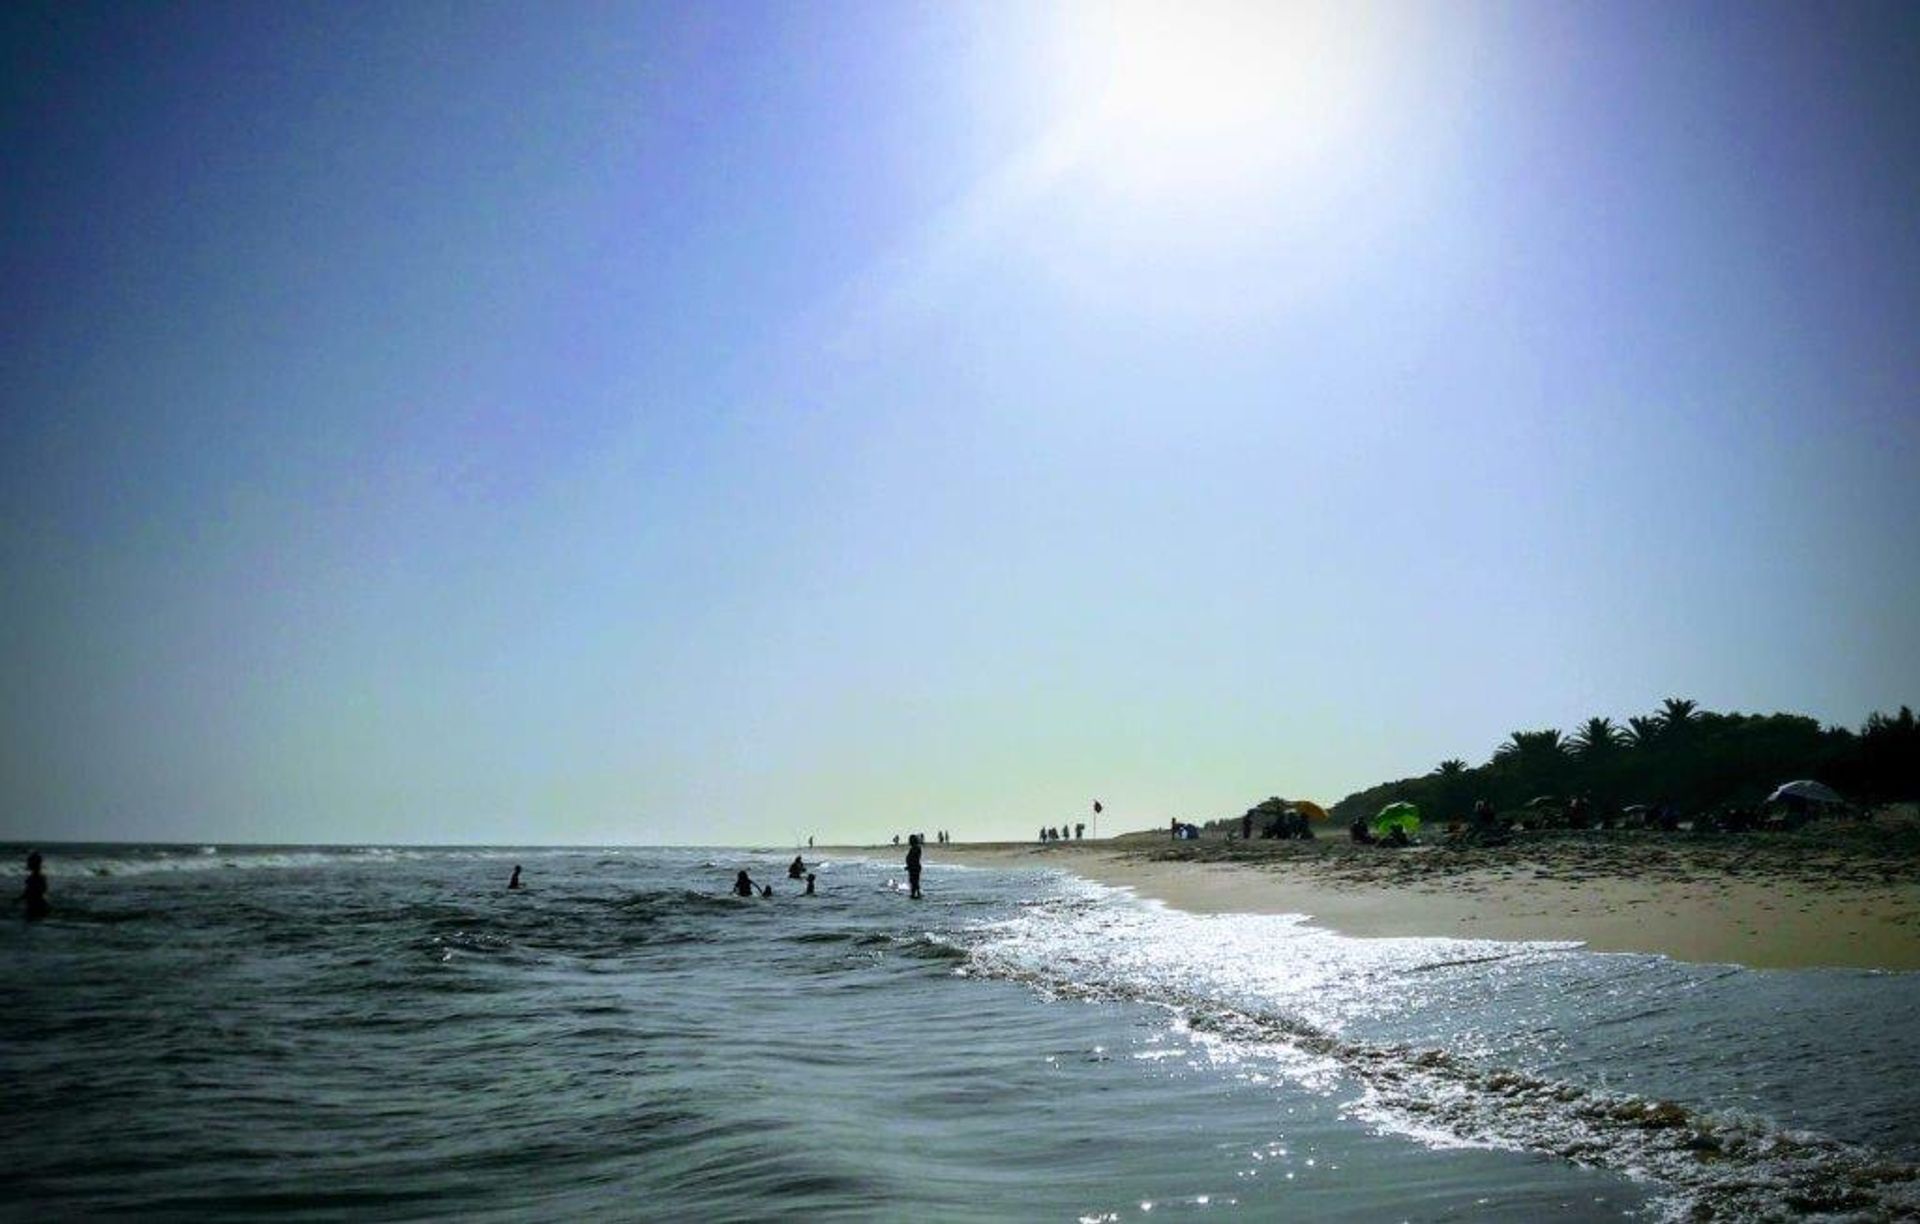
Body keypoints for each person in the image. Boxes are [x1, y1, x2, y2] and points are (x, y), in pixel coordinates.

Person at [22, 851, 49, 920]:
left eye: (29, 862)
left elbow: (30, 892)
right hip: (38, 904)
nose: (27, 863)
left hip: (35, 905)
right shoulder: (40, 877)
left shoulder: (35, 877)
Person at [905, 833, 923, 899]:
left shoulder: (916, 848)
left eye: (910, 840)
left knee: (914, 881)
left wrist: (910, 866)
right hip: (914, 867)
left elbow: (914, 859)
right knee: (914, 881)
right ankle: (917, 894)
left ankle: (914, 894)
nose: (909, 841)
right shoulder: (915, 848)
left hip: (914, 867)